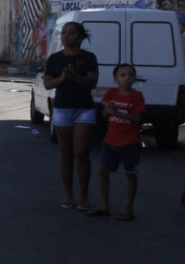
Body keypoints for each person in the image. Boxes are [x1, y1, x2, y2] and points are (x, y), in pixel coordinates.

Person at [43, 21, 99, 210]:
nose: (66, 36)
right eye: (63, 33)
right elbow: (48, 84)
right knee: (65, 152)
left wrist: (75, 78)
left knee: (81, 152)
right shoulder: (55, 59)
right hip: (62, 109)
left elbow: (92, 82)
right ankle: (68, 195)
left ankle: (84, 196)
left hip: (84, 109)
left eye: (71, 33)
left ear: (80, 37)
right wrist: (62, 79)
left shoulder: (89, 57)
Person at [89, 63, 145, 221]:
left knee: (131, 174)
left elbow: (137, 118)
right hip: (111, 140)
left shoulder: (137, 96)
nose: (127, 78)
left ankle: (128, 209)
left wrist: (119, 113)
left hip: (130, 141)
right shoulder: (111, 93)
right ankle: (104, 205)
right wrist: (108, 109)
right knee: (103, 171)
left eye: (130, 75)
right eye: (123, 75)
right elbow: (104, 115)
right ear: (115, 79)